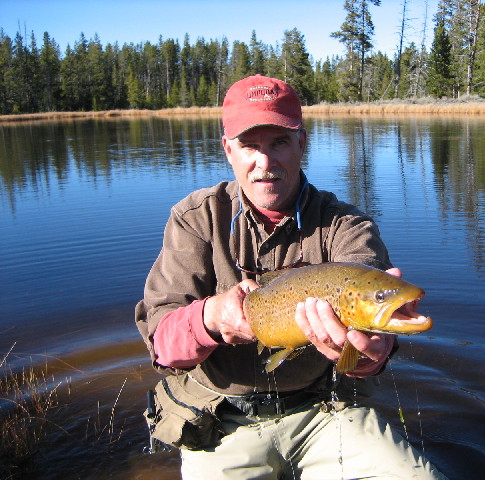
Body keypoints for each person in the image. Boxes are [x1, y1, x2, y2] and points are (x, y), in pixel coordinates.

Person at [135, 74, 447, 480]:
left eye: (279, 142)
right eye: (250, 146)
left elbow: (370, 333)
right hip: (221, 422)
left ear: (302, 143)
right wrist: (212, 317)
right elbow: (162, 345)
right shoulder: (195, 219)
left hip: (323, 411)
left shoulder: (347, 226)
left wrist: (369, 352)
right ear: (228, 149)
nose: (265, 163)